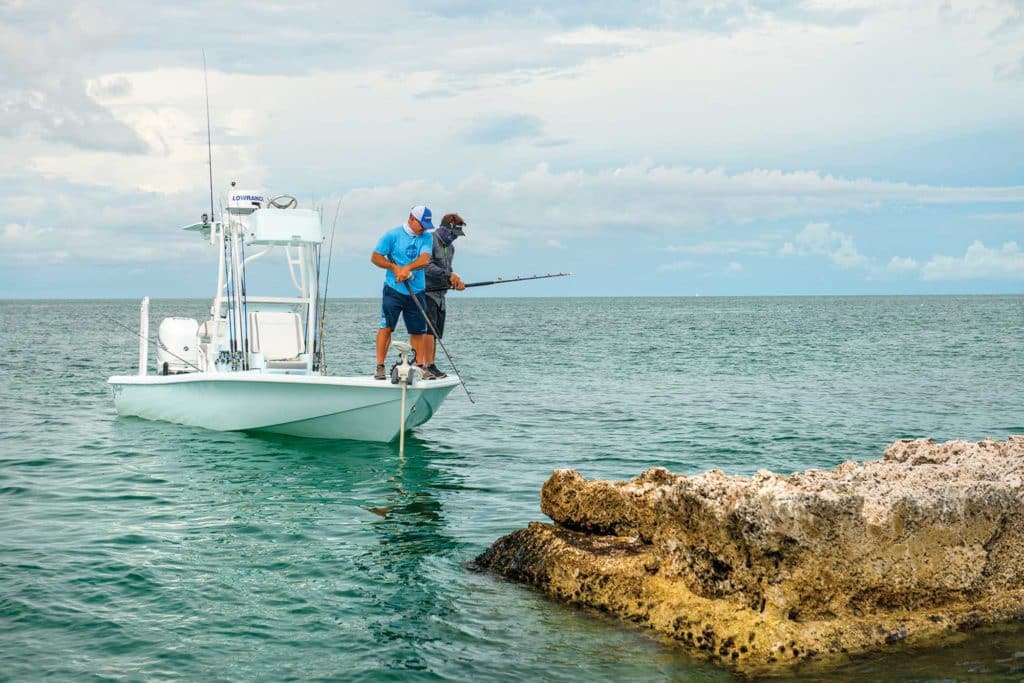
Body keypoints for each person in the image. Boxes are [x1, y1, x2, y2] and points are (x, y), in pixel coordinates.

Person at [370, 205, 436, 380]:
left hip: (417, 290)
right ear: (411, 219)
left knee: (418, 331)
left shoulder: (426, 238)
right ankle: (380, 367)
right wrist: (394, 267)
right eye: (421, 224)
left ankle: (419, 366)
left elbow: (424, 259)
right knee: (387, 327)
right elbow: (376, 257)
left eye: (426, 225)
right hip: (393, 289)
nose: (423, 228)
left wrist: (407, 268)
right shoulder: (392, 235)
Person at [422, 213, 466, 379]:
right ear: (445, 229)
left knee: (436, 333)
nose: (455, 238)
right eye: (454, 234)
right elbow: (427, 267)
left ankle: (431, 364)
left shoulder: (451, 248)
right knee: (428, 330)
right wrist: (449, 276)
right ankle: (426, 365)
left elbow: (448, 271)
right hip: (426, 292)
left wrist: (454, 281)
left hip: (441, 295)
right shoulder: (429, 240)